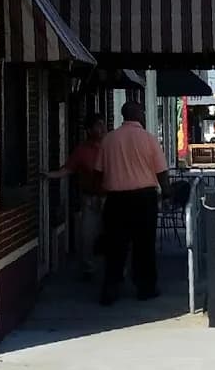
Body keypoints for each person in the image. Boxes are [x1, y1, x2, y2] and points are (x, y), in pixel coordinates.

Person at [94, 100, 170, 305]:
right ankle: (145, 288)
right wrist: (167, 193)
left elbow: (98, 172)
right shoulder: (149, 139)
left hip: (116, 200)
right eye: (143, 112)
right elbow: (161, 172)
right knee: (144, 245)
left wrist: (100, 195)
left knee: (115, 246)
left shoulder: (109, 140)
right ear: (138, 115)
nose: (144, 116)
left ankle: (111, 289)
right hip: (144, 199)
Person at [43, 114, 105, 279]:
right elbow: (68, 169)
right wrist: (50, 175)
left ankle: (115, 269)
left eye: (103, 125)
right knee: (87, 235)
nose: (102, 129)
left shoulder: (110, 146)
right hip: (90, 198)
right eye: (98, 125)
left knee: (114, 234)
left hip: (110, 197)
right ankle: (88, 268)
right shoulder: (82, 150)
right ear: (89, 130)